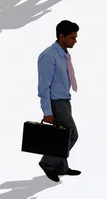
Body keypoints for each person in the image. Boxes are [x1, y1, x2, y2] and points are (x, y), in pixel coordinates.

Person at [37, 20, 81, 182]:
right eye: (72, 38)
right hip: (56, 102)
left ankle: (61, 167)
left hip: (65, 100)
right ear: (61, 36)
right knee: (72, 135)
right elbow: (43, 87)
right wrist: (47, 111)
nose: (75, 41)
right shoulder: (48, 56)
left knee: (61, 136)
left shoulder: (63, 54)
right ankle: (48, 163)